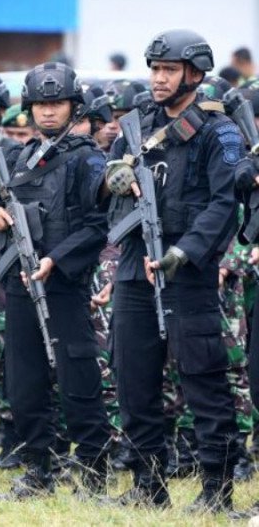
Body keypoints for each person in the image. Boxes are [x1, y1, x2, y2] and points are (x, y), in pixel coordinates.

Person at [104, 29, 242, 513]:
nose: (159, 79)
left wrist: (185, 253)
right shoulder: (137, 123)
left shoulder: (216, 130)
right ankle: (147, 483)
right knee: (133, 379)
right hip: (134, 269)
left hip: (188, 272)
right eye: (155, 69)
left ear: (195, 74)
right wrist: (113, 175)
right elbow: (106, 179)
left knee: (202, 379)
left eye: (169, 70)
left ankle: (216, 489)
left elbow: (225, 203)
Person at [0, 62, 112, 499]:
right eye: (41, 104)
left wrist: (56, 259)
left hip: (63, 284)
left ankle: (93, 467)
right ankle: (38, 465)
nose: (48, 112)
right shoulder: (19, 157)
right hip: (19, 282)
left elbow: (97, 226)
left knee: (77, 376)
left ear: (74, 106)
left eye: (57, 103)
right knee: (24, 379)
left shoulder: (88, 157)